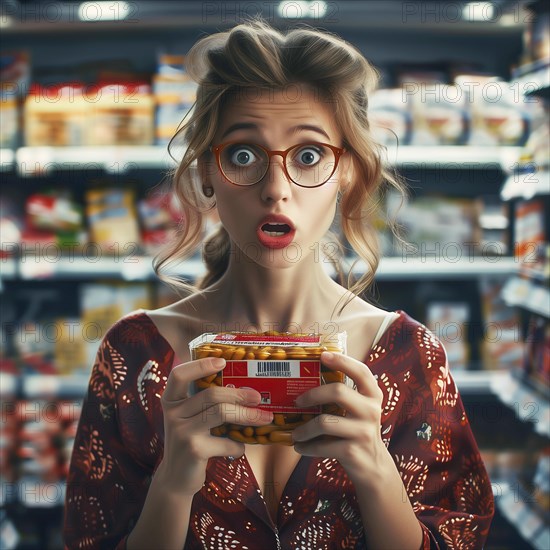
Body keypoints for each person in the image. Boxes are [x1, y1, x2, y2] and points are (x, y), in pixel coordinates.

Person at [64, 18, 494, 549]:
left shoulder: (411, 355)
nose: (275, 189)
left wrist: (377, 472)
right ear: (205, 173)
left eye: (309, 156)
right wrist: (173, 483)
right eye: (243, 154)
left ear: (350, 173)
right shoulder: (133, 353)